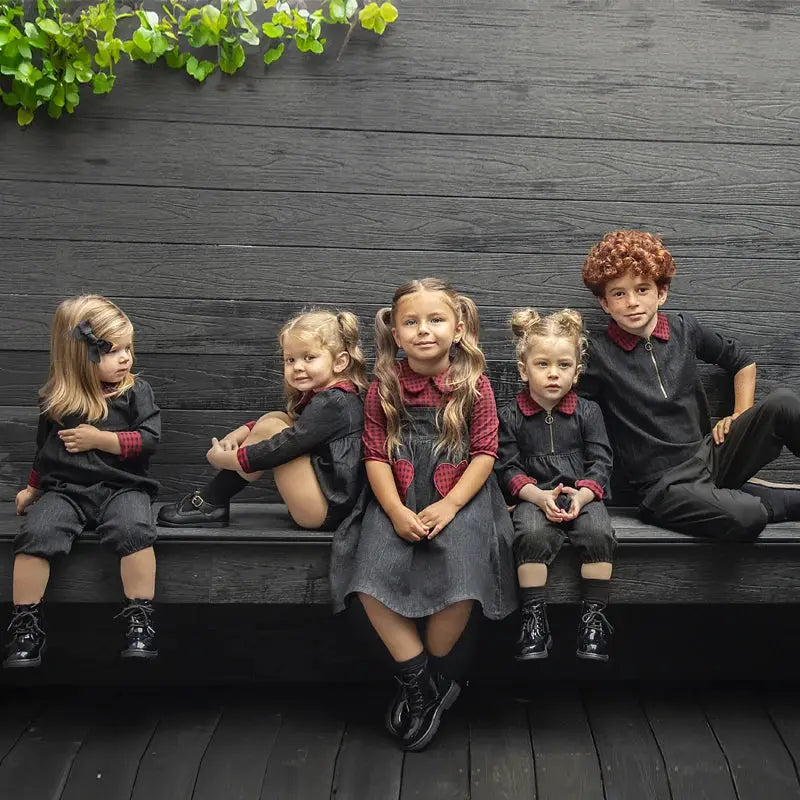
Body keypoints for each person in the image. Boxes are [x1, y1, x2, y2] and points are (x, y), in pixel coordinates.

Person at [330, 278, 516, 752]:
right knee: (368, 575)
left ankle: (433, 672)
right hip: (395, 493)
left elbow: (485, 453)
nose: (424, 330)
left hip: (463, 495)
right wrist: (394, 510)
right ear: (395, 333)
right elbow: (375, 454)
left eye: (436, 320)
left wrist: (451, 504)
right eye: (411, 322)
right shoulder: (384, 384)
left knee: (462, 573)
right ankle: (421, 682)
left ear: (458, 328)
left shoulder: (474, 384)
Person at [580, 229, 800, 541]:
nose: (632, 302)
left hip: (710, 456)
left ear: (661, 293)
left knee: (784, 403)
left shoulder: (685, 330)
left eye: (642, 289)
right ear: (604, 303)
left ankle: (739, 495)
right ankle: (756, 498)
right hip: (663, 486)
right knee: (750, 515)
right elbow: (570, 411)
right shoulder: (597, 354)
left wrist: (740, 414)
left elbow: (742, 362)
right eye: (619, 294)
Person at [5, 295, 161, 668]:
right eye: (112, 351)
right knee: (36, 534)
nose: (125, 358)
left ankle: (140, 619)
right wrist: (32, 488)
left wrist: (101, 440)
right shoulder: (57, 400)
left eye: (128, 348)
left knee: (134, 530)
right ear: (79, 357)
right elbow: (44, 451)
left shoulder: (135, 391)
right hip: (67, 492)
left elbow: (149, 439)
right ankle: (26, 624)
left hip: (122, 487)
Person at [157, 309, 368, 531]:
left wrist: (229, 459)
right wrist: (240, 433)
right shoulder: (332, 397)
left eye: (309, 357)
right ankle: (214, 500)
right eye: (290, 359)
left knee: (274, 429)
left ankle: (212, 500)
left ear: (340, 362)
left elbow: (284, 446)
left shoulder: (334, 402)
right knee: (276, 418)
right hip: (329, 505)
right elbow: (294, 423)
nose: (297, 366)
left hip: (326, 512)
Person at [496, 308, 616, 662]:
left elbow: (601, 461)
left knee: (598, 533)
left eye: (563, 365)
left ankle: (593, 619)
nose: (553, 373)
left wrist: (583, 496)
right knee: (531, 534)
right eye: (542, 364)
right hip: (533, 497)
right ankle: (534, 619)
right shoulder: (510, 416)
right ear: (524, 369)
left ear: (576, 372)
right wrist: (537, 496)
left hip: (582, 496)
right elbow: (507, 467)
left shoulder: (588, 412)